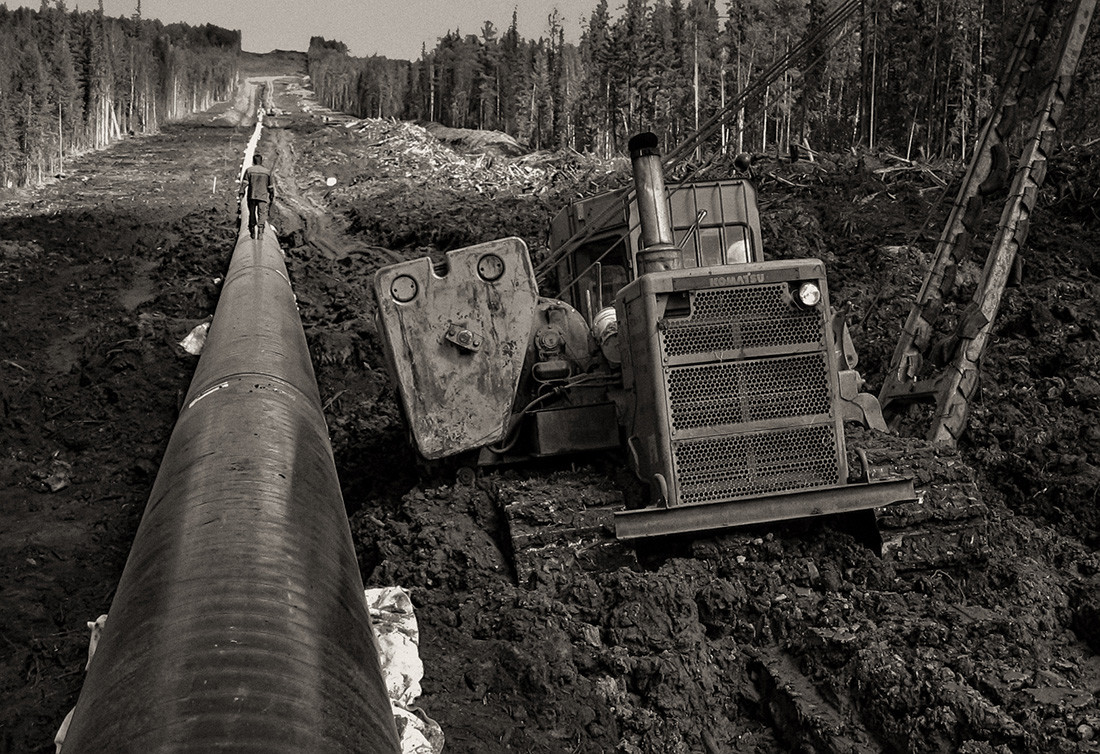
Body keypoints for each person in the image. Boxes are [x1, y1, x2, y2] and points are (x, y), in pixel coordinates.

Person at [239, 154, 276, 239]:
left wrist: (241, 192)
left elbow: (245, 183)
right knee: (262, 213)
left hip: (252, 196)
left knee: (252, 213)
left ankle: (252, 230)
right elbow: (270, 186)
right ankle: (260, 230)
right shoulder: (267, 172)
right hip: (262, 196)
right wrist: (271, 195)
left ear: (253, 161)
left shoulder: (249, 170)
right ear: (261, 161)